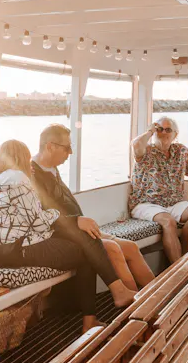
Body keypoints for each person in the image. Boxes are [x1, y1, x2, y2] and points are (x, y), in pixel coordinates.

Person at [0, 139, 135, 332]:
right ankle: (108, 301)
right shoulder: (18, 178)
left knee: (84, 242)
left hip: (6, 248)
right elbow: (37, 221)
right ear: (22, 158)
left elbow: (27, 220)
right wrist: (70, 219)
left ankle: (102, 307)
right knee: (87, 247)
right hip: (22, 248)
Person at [31, 123, 155, 289]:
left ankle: (159, 297)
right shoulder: (32, 175)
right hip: (61, 236)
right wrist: (76, 222)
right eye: (67, 148)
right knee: (112, 248)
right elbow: (43, 216)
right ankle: (135, 304)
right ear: (50, 147)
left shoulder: (52, 167)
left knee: (131, 247)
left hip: (80, 230)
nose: (71, 152)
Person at [129, 116, 188, 263]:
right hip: (146, 204)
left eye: (168, 130)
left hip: (174, 203)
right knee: (168, 222)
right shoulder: (146, 151)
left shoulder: (181, 151)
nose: (163, 133)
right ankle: (179, 270)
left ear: (175, 134)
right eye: (159, 129)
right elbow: (136, 144)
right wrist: (150, 131)